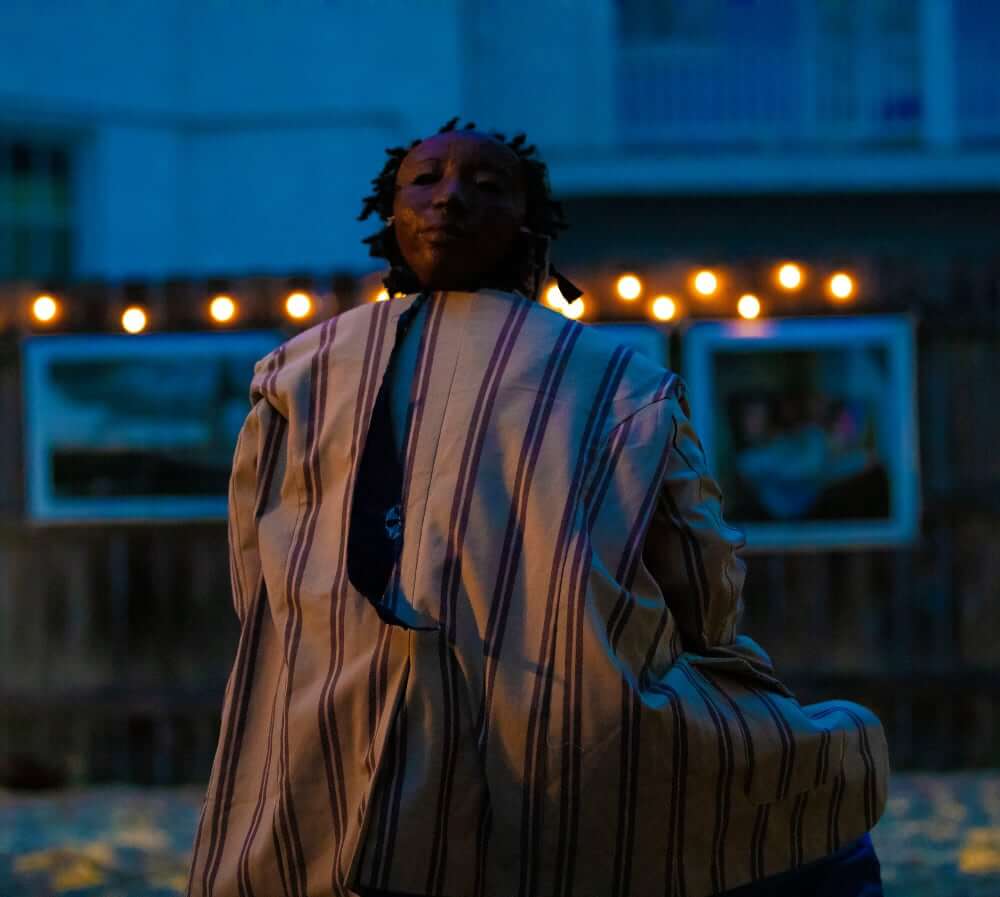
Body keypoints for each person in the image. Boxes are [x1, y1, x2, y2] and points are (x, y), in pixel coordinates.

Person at [186, 118, 889, 897]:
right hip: (564, 725)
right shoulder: (619, 379)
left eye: (483, 185)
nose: (450, 197)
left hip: (324, 732)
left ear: (528, 219)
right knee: (818, 799)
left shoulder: (296, 371)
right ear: (390, 209)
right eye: (428, 180)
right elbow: (702, 574)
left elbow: (255, 574)